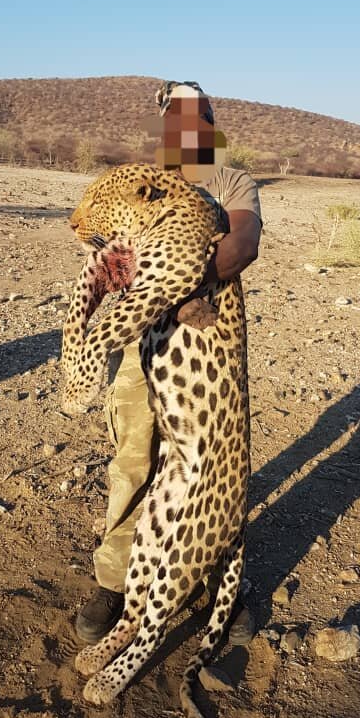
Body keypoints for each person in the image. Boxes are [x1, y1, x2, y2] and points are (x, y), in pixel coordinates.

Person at [75, 80, 263, 643]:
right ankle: (116, 581)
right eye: (173, 116)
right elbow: (102, 246)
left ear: (209, 121)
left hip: (205, 345)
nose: (184, 126)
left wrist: (185, 283)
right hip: (143, 337)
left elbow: (244, 244)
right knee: (134, 458)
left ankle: (212, 581)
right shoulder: (136, 183)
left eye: (194, 114)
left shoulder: (231, 180)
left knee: (211, 463)